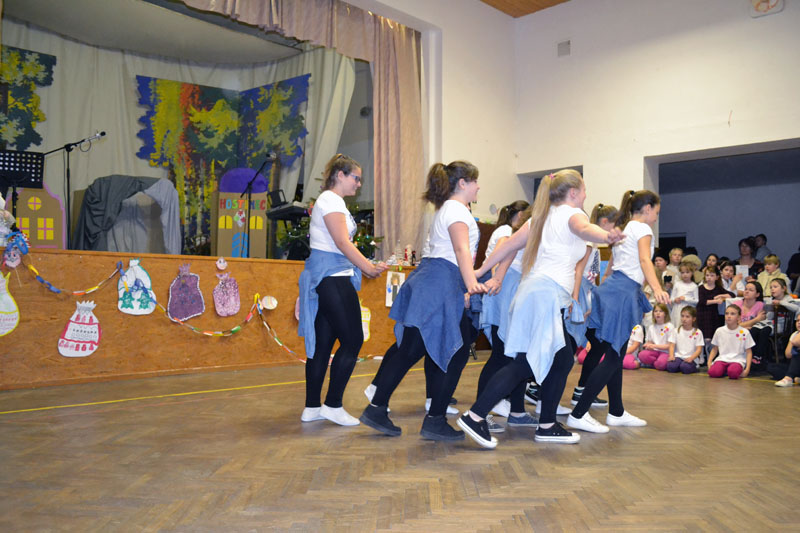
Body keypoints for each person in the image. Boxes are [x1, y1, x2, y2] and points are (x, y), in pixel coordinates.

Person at [458, 169, 622, 448]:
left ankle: (546, 424)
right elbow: (585, 230)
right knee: (525, 363)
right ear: (573, 193)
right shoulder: (572, 213)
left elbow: (508, 245)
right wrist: (606, 235)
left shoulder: (541, 217)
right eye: (584, 190)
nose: (585, 195)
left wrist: (481, 271)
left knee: (562, 360)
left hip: (533, 294)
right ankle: (476, 416)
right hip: (545, 296)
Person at [360, 161, 486, 441]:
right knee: (446, 350)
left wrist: (467, 283)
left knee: (418, 349)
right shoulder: (456, 210)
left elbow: (458, 254)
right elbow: (461, 249)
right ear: (463, 183)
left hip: (436, 280)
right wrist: (470, 284)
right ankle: (432, 419)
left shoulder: (451, 209)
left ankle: (384, 409)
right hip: (438, 283)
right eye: (475, 181)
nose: (479, 187)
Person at [567, 189, 669, 436]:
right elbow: (645, 261)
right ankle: (578, 414)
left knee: (617, 352)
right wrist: (657, 288)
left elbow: (611, 266)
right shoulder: (642, 229)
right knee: (613, 357)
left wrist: (602, 295)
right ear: (647, 209)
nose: (656, 217)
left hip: (613, 289)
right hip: (622, 293)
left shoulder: (624, 228)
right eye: (656, 212)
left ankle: (617, 411)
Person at [297, 154, 387, 426]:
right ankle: (332, 404)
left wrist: (366, 265)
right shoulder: (331, 200)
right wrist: (368, 267)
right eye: (355, 178)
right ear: (340, 175)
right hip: (333, 278)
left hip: (330, 277)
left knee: (323, 344)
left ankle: (312, 407)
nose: (359, 184)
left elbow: (340, 243)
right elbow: (342, 242)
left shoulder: (331, 202)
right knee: (353, 340)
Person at [475, 199, 536, 432]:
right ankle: (480, 414)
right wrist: (496, 277)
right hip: (505, 292)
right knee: (501, 356)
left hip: (513, 289)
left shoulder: (522, 230)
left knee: (517, 355)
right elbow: (504, 248)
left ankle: (517, 411)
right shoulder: (507, 231)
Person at [569, 203, 618, 409]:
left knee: (596, 345)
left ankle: (582, 390)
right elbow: (578, 272)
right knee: (570, 346)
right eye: (614, 225)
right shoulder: (588, 241)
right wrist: (577, 301)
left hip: (588, 295)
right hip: (580, 296)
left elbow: (593, 277)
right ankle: (536, 386)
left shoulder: (596, 246)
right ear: (605, 222)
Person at [732, 281, 770, 372]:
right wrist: (755, 320)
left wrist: (745, 325)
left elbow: (760, 323)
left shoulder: (760, 305)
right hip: (736, 330)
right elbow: (735, 325)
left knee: (757, 332)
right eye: (746, 289)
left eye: (751, 290)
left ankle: (755, 360)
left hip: (752, 332)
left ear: (757, 294)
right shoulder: (736, 304)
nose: (746, 291)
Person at [707, 305, 753, 379]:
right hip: (722, 359)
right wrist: (709, 362)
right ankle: (723, 370)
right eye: (726, 313)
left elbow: (749, 352)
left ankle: (729, 370)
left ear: (738, 317)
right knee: (713, 372)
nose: (729, 316)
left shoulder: (744, 332)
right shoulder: (719, 331)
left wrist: (747, 369)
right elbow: (715, 349)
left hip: (737, 360)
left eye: (732, 314)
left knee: (733, 373)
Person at [696, 266, 735, 345]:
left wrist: (721, 295)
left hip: (713, 315)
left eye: (712, 275)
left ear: (717, 277)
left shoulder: (718, 288)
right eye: (707, 275)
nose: (709, 277)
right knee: (703, 338)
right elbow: (702, 301)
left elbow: (732, 295)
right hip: (702, 315)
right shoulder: (701, 288)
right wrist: (716, 301)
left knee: (712, 338)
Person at [666, 306, 704, 374]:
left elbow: (699, 349)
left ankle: (693, 366)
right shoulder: (676, 331)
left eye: (687, 317)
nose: (684, 319)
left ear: (694, 319)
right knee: (670, 367)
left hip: (691, 358)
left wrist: (691, 358)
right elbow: (672, 345)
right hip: (678, 357)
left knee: (685, 368)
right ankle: (680, 365)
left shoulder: (698, 332)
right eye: (682, 316)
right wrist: (671, 356)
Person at [638, 304, 674, 371]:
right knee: (642, 355)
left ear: (665, 313)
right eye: (656, 311)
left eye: (660, 311)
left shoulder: (670, 326)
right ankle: (656, 363)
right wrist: (648, 345)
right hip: (654, 351)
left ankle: (657, 363)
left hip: (665, 352)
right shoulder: (651, 327)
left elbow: (669, 346)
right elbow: (649, 341)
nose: (658, 313)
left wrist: (654, 346)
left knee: (661, 363)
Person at [774, 314, 800, 387]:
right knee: (772, 367)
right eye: (797, 320)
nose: (799, 323)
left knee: (798, 354)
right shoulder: (794, 334)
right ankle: (795, 377)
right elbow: (788, 355)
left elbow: (795, 342)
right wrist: (793, 340)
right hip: (796, 365)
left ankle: (789, 377)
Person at [669, 262, 698, 326]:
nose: (685, 275)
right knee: (676, 325)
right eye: (682, 272)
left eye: (687, 272)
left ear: (692, 273)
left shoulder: (694, 286)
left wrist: (685, 299)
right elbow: (671, 298)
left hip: (688, 310)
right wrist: (675, 300)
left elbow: (696, 301)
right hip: (677, 309)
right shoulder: (677, 284)